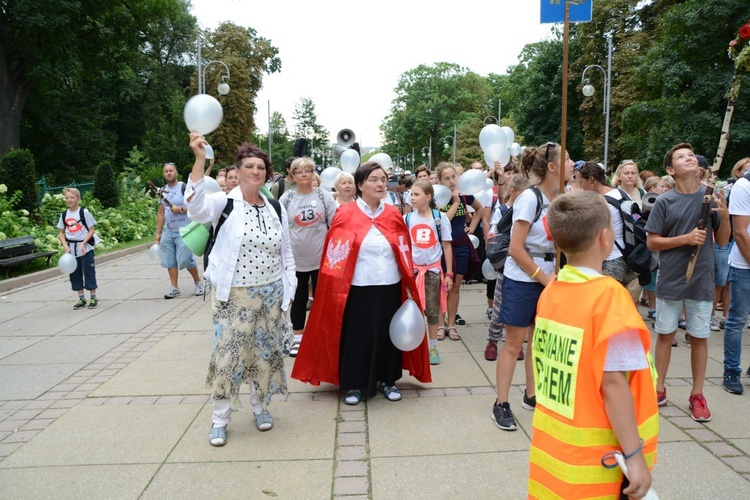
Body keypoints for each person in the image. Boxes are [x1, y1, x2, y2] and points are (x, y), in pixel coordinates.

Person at [529, 191, 658, 499]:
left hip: (555, 456)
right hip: (602, 464)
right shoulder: (608, 297)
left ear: (557, 243)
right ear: (606, 237)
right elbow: (613, 383)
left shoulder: (553, 291)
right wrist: (634, 455)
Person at [185, 132, 297, 447]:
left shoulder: (275, 206)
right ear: (239, 169)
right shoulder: (225, 202)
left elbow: (286, 252)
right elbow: (194, 208)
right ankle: (219, 420)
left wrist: (289, 288)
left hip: (271, 294)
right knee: (228, 357)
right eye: (249, 166)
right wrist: (199, 160)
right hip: (234, 296)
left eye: (261, 167)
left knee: (263, 355)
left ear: (267, 173)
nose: (255, 172)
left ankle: (260, 408)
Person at [291, 162, 431, 405]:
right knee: (357, 336)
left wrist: (408, 281)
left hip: (389, 286)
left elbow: (403, 249)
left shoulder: (392, 214)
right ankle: (353, 384)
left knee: (388, 336)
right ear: (360, 184)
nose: (380, 184)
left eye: (383, 179)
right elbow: (334, 255)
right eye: (374, 180)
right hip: (356, 288)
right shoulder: (345, 214)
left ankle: (388, 380)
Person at [492, 142, 573, 431]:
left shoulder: (564, 196)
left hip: (550, 275)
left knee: (539, 340)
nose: (572, 162)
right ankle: (501, 403)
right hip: (524, 277)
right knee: (515, 344)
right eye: (566, 159)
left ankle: (532, 394)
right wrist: (544, 277)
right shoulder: (529, 198)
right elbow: (515, 248)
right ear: (552, 167)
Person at [645, 143, 729, 421]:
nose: (689, 157)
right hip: (672, 278)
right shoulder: (665, 201)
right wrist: (685, 239)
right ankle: (658, 387)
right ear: (671, 170)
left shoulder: (711, 196)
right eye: (682, 156)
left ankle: (697, 394)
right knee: (666, 335)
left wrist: (725, 216)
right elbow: (652, 241)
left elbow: (724, 239)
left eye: (691, 154)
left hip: (701, 279)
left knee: (699, 336)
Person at [279, 157, 337, 356]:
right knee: (299, 296)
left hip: (322, 257)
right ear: (292, 175)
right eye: (299, 172)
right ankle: (298, 338)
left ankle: (322, 334)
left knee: (322, 298)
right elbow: (280, 227)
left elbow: (335, 223)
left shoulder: (323, 196)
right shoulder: (287, 198)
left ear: (313, 173)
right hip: (296, 258)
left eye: (308, 171)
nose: (304, 175)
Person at [405, 180, 453, 365]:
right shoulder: (408, 218)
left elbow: (447, 246)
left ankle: (433, 346)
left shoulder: (439, 218)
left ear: (428, 197)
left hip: (432, 271)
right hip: (414, 272)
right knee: (412, 310)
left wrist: (449, 274)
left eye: (416, 194)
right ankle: (414, 346)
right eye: (411, 194)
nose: (412, 198)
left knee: (433, 311)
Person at [435, 162, 484, 341]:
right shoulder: (438, 197)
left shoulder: (465, 195)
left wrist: (471, 226)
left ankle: (451, 325)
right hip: (442, 247)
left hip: (462, 245)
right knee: (442, 286)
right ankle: (440, 325)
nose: (451, 181)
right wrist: (455, 202)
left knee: (455, 286)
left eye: (453, 176)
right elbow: (443, 222)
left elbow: (479, 208)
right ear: (440, 181)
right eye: (446, 178)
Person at [485, 173, 530, 361]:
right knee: (499, 306)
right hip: (506, 262)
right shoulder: (503, 210)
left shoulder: (528, 209)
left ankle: (515, 342)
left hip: (524, 261)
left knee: (515, 306)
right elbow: (493, 232)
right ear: (513, 192)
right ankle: (492, 341)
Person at [574, 161, 637, 288]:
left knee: (607, 302)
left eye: (581, 182)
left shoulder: (601, 203)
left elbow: (588, 232)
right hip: (628, 256)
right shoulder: (621, 193)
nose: (580, 186)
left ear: (591, 180)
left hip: (612, 261)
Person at [155, 162, 203, 299]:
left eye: (171, 170)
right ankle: (174, 287)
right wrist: (158, 233)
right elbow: (160, 213)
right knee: (169, 261)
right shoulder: (161, 191)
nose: (169, 173)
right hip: (169, 231)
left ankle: (198, 282)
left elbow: (196, 207)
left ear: (176, 172)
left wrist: (181, 209)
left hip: (185, 231)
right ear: (163, 174)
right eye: (166, 171)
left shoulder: (184, 188)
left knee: (186, 259)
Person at [722, 163, 750, 395]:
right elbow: (740, 232)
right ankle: (731, 370)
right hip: (744, 265)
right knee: (738, 319)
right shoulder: (744, 185)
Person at [57, 188, 99, 310]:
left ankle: (93, 297)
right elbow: (61, 232)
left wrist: (83, 243)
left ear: (78, 199)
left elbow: (91, 230)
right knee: (75, 273)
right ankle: (81, 298)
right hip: (72, 249)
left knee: (88, 271)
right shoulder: (64, 215)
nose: (69, 200)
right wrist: (65, 245)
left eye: (72, 197)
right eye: (67, 198)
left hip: (85, 248)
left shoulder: (84, 212)